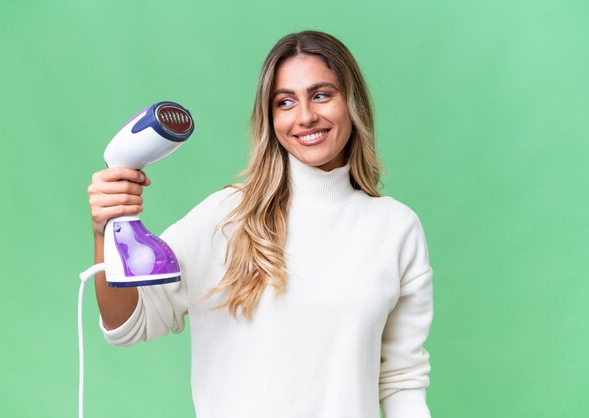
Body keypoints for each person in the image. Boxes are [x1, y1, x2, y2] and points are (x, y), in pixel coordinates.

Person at [87, 30, 433, 418]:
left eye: (321, 94)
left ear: (351, 103)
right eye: (285, 102)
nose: (306, 116)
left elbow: (402, 378)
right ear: (270, 118)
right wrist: (106, 231)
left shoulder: (396, 227)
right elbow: (126, 326)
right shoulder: (223, 217)